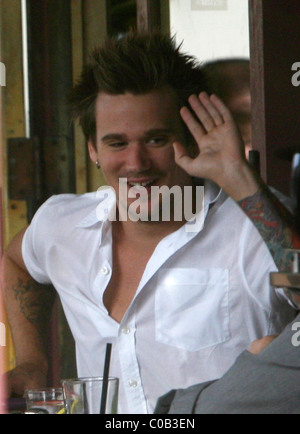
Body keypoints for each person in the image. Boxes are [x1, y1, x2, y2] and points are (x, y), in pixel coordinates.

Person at [1, 33, 298, 414]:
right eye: (116, 143)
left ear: (191, 138)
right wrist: (32, 362)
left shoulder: (255, 226)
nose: (136, 163)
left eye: (156, 139)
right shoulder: (64, 225)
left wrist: (238, 178)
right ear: (92, 148)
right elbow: (17, 263)